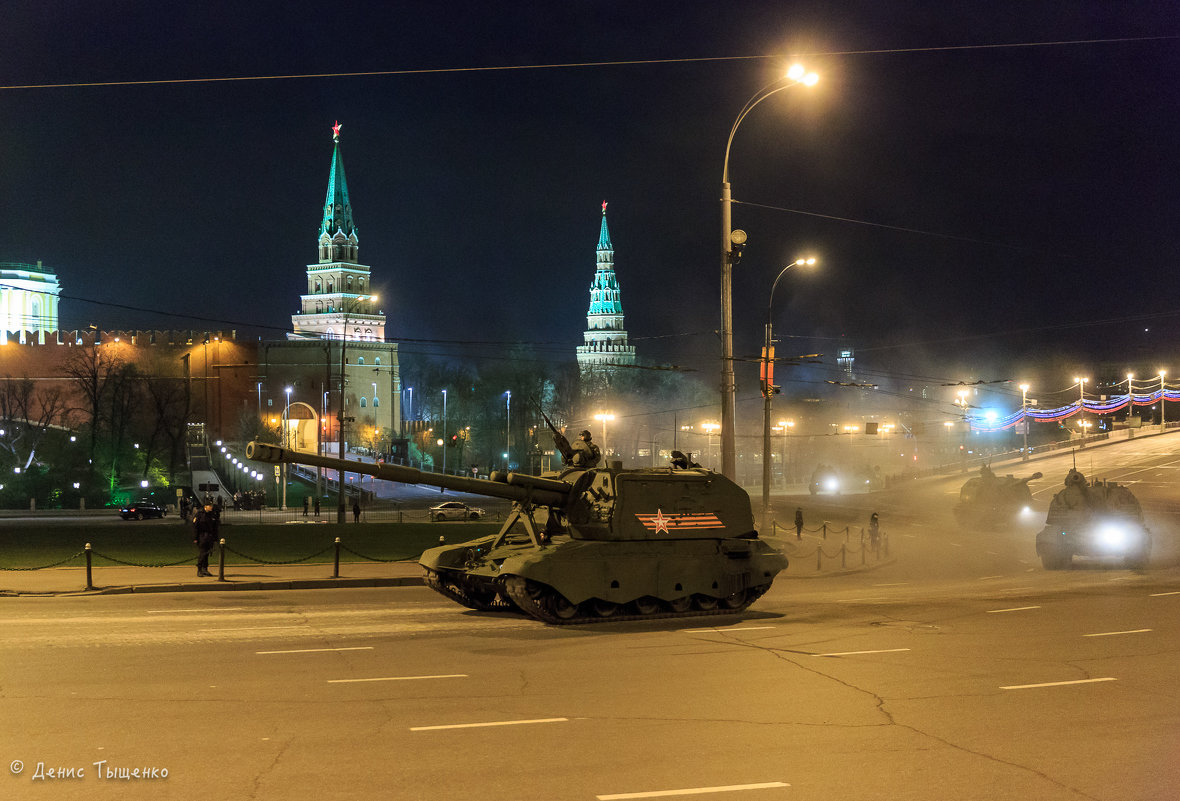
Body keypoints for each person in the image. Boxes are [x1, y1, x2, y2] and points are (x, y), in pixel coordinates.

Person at [193, 505, 216, 577]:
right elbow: (195, 527)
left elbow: (215, 527)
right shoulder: (199, 514)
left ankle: (205, 569)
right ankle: (199, 570)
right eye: (210, 506)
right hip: (202, 536)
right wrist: (195, 538)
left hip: (209, 536)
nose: (212, 507)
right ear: (206, 506)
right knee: (202, 553)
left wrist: (215, 538)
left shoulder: (212, 514)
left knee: (207, 553)